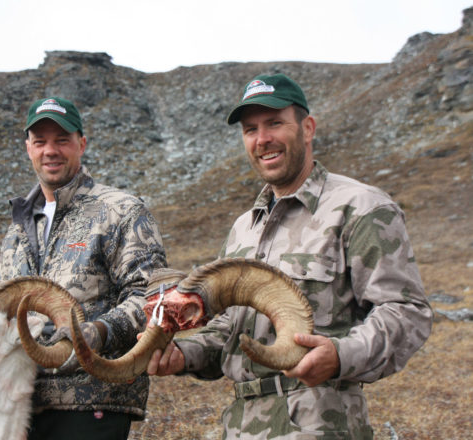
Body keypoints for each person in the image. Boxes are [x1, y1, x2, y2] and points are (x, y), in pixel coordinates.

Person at [146, 74, 433, 439]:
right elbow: (228, 331)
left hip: (319, 423)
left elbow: (407, 311)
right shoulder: (243, 228)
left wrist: (341, 355)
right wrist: (184, 356)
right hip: (240, 425)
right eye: (251, 129)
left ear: (307, 128)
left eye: (275, 124)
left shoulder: (360, 207)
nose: (262, 139)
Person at [0, 96, 167, 439]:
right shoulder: (16, 231)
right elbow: (1, 315)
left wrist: (98, 332)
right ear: (27, 147)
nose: (51, 151)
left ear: (82, 144)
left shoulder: (121, 211)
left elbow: (151, 297)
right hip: (19, 404)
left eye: (62, 140)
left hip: (91, 403)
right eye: (40, 141)